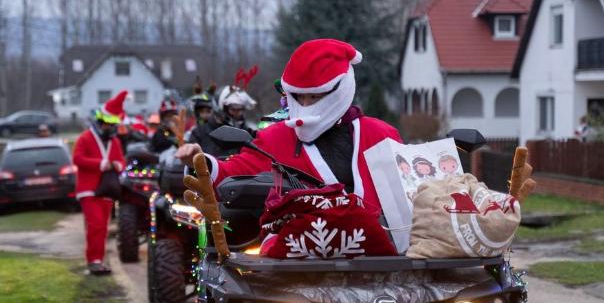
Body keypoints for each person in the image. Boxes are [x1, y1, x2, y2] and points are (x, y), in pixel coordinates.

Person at [176, 39, 402, 212]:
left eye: (314, 97)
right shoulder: (276, 138)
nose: (305, 106)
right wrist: (200, 163)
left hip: (379, 261)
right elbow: (232, 175)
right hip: (296, 267)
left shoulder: (381, 136)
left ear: (340, 89)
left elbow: (412, 189)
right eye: (298, 97)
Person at [72, 90, 127, 275]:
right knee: (95, 224)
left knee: (102, 227)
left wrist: (118, 165)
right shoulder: (85, 138)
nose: (109, 128)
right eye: (107, 125)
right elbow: (77, 159)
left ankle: (98, 260)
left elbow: (121, 161)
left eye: (112, 125)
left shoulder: (115, 142)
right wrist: (100, 164)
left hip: (107, 190)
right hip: (88, 189)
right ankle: (93, 260)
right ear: (100, 121)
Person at [188, 83, 256, 158]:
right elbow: (191, 162)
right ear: (221, 109)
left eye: (240, 109)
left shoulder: (247, 132)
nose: (238, 114)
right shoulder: (199, 133)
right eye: (233, 109)